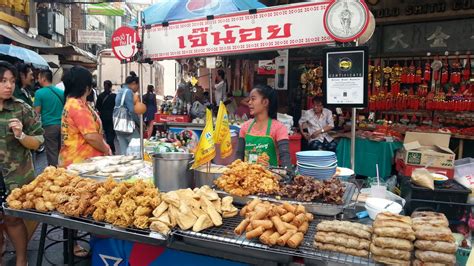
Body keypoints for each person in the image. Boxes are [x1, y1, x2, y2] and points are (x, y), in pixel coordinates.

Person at [0, 61, 44, 266]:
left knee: (13, 219)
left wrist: (21, 135)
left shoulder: (21, 108)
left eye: (11, 81)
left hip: (16, 177)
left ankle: (21, 259)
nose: (8, 86)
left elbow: (38, 142)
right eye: (3, 81)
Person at [59, 66, 111, 167]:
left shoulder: (74, 102)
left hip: (78, 160)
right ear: (86, 87)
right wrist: (106, 149)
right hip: (81, 163)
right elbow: (91, 136)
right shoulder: (77, 106)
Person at [237, 84, 291, 169]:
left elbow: (285, 157)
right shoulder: (245, 127)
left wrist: (288, 176)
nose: (249, 102)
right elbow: (239, 156)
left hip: (270, 179)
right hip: (247, 179)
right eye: (249, 99)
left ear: (265, 102)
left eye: (253, 99)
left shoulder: (279, 128)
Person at [33, 69, 64, 166]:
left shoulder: (39, 93)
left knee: (52, 152)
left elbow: (36, 113)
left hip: (49, 126)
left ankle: (54, 174)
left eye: (38, 78)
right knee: (61, 152)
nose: (37, 80)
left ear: (43, 79)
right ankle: (63, 172)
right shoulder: (61, 92)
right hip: (62, 125)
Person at [115, 72, 140, 155]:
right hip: (127, 125)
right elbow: (131, 111)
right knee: (137, 147)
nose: (138, 88)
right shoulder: (128, 92)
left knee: (124, 151)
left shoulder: (120, 91)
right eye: (138, 86)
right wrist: (139, 123)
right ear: (133, 83)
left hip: (118, 125)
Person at [96, 80, 116, 154]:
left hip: (103, 117)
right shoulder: (114, 96)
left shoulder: (100, 96)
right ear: (111, 86)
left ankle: (107, 146)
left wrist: (102, 110)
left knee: (104, 133)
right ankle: (111, 147)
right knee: (111, 132)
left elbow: (97, 106)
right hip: (111, 116)